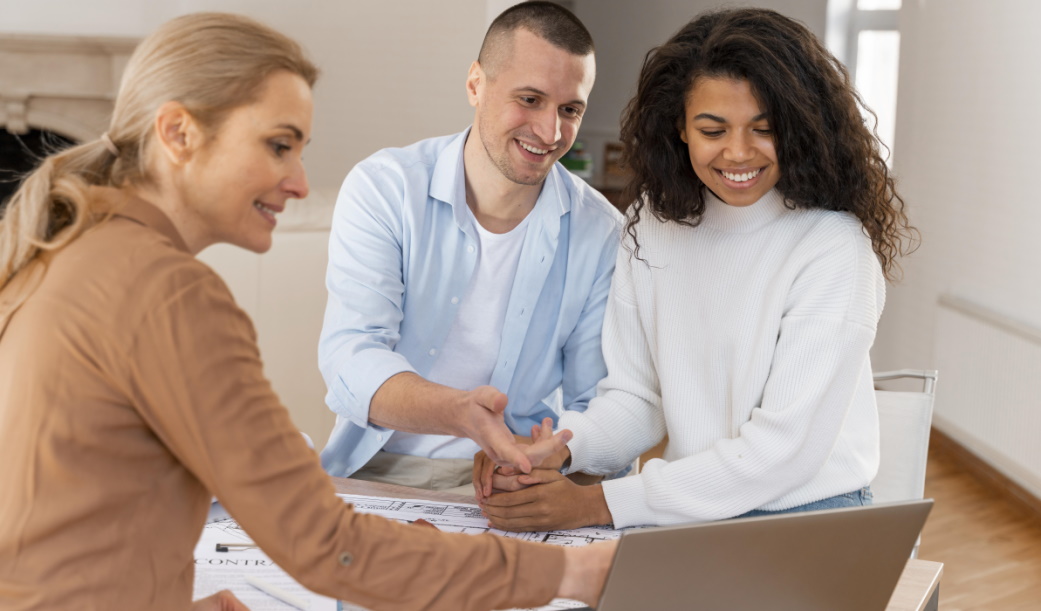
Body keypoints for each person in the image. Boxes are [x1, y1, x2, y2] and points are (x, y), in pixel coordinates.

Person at [0, 12, 613, 611]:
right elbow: (326, 545)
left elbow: (72, 513)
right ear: (178, 134)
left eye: (299, 150)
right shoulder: (170, 294)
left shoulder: (67, 251)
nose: (299, 182)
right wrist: (575, 573)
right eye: (278, 146)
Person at [476, 7, 920, 531]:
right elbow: (638, 400)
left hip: (810, 520)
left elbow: (781, 455)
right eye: (713, 129)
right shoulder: (653, 224)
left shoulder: (833, 248)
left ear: (798, 128)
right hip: (690, 510)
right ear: (681, 129)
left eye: (764, 129)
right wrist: (555, 449)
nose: (737, 152)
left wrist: (598, 504)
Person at [318, 1, 622, 492]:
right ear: (476, 85)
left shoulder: (601, 232)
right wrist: (460, 414)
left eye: (570, 110)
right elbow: (351, 356)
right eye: (529, 99)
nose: (550, 132)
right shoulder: (385, 188)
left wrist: (557, 457)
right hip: (376, 470)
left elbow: (599, 401)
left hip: (518, 480)